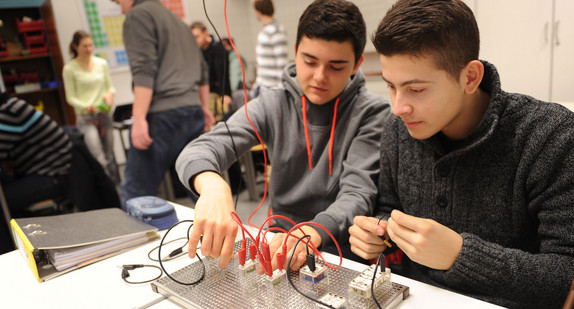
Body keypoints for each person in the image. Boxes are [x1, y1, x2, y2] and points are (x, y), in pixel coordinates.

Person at [347, 0, 574, 308]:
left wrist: (460, 255)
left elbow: (564, 275)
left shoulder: (550, 136)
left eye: (415, 89)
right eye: (390, 86)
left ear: (469, 78)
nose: (399, 107)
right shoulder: (399, 129)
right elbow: (389, 207)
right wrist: (379, 233)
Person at [176, 0, 390, 271]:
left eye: (336, 67)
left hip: (339, 246)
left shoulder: (372, 112)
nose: (319, 77)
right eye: (309, 61)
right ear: (295, 51)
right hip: (277, 239)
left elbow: (357, 193)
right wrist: (213, 186)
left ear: (356, 63)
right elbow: (200, 149)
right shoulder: (273, 104)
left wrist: (312, 232)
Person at [113, 0, 215, 209]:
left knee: (135, 195)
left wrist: (139, 118)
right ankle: (222, 241)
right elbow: (203, 70)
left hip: (162, 117)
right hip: (192, 113)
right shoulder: (178, 22)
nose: (117, 5)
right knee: (202, 191)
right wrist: (204, 107)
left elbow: (144, 70)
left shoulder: (137, 16)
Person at [63, 30, 117, 183]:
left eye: (90, 45)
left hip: (103, 114)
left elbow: (110, 88)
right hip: (86, 118)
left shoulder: (101, 63)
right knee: (98, 156)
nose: (88, 49)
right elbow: (70, 97)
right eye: (84, 46)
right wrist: (86, 106)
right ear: (75, 46)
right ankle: (106, 190)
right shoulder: (70, 69)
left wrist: (109, 95)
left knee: (109, 155)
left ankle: (116, 191)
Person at [191, 22, 232, 122]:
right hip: (204, 94)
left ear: (205, 32)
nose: (196, 41)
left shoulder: (218, 49)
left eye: (197, 37)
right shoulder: (197, 52)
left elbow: (223, 74)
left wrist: (225, 94)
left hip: (217, 93)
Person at [252, 0, 288, 93]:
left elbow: (281, 62)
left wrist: (281, 89)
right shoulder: (265, 30)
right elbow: (262, 63)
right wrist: (257, 83)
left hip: (273, 89)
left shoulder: (276, 30)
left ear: (258, 11)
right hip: (262, 86)